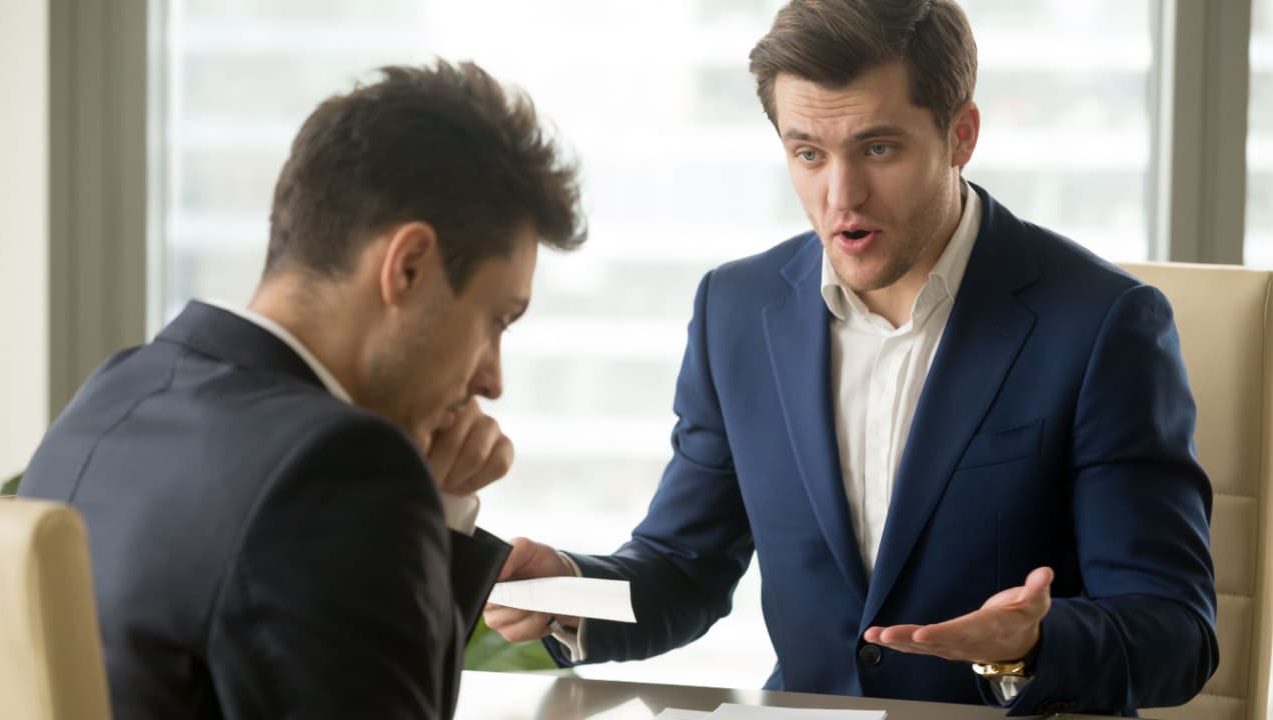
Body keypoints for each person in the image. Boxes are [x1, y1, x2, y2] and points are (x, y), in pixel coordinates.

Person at [485, 1, 1217, 716]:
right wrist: (567, 588)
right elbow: (685, 569)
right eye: (808, 153)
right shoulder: (735, 310)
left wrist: (1030, 644)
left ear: (961, 134)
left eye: (878, 149)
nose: (841, 196)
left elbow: (1176, 630)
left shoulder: (1101, 325)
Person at [20, 61, 585, 720]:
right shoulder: (336, 471)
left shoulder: (116, 391)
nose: (492, 377)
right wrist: (436, 517)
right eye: (497, 320)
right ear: (409, 267)